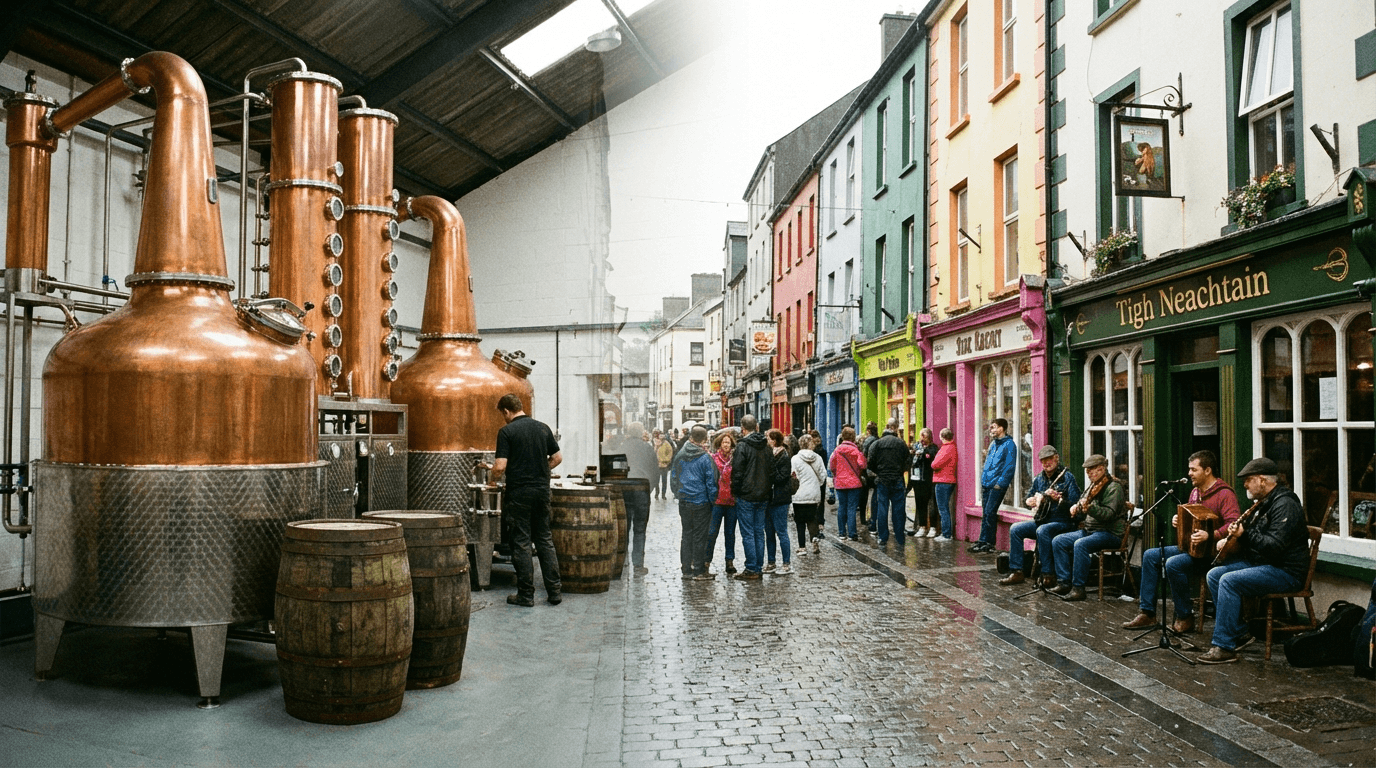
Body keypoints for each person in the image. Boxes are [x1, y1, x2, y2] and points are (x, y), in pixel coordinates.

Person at [1198, 457, 1310, 664]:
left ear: (1262, 480)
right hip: (1264, 564)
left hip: (1285, 571)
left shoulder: (1285, 504)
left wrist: (1244, 534)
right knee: (1214, 575)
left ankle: (1224, 646)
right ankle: (1239, 632)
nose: (1245, 485)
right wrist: (1231, 538)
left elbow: (1274, 546)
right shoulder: (1263, 504)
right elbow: (1255, 539)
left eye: (1249, 480)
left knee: (1229, 581)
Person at [1122, 450, 1240, 632]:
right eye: (1189, 469)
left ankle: (1185, 616)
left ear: (1208, 470)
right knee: (1150, 555)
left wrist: (1212, 534)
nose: (1189, 474)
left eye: (1194, 470)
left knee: (1174, 564)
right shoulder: (1195, 493)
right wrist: (1180, 520)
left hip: (1212, 553)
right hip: (1192, 549)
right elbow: (1193, 516)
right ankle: (1148, 613)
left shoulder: (1225, 494)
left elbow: (1234, 524)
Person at [491, 393, 562, 607]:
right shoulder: (543, 428)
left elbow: (500, 466)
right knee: (544, 539)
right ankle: (555, 592)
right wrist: (540, 471)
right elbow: (557, 458)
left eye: (502, 414)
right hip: (541, 491)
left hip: (520, 492)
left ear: (506, 411)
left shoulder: (507, 432)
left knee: (521, 542)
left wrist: (494, 478)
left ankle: (526, 595)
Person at [1000, 445, 1081, 587]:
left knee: (1043, 531)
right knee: (1015, 529)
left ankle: (1047, 574)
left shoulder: (1067, 477)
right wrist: (1029, 501)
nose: (1046, 464)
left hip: (1062, 522)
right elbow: (1029, 496)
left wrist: (1059, 500)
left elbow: (1076, 505)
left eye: (1049, 459)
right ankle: (1017, 571)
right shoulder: (1039, 479)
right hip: (1043, 520)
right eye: (1043, 461)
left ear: (1056, 458)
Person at [1050, 454, 1126, 601]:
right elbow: (1082, 507)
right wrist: (1076, 508)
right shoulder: (1093, 486)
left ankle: (1078, 588)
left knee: (1081, 544)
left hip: (1109, 533)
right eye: (1088, 471)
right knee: (1058, 541)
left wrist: (1090, 508)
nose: (1089, 474)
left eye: (1092, 471)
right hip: (1091, 531)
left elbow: (1109, 514)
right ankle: (1064, 582)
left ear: (1102, 469)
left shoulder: (1113, 487)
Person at [730, 415, 774, 581]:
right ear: (756, 427)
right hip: (763, 495)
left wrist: (736, 491)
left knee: (748, 533)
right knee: (758, 532)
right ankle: (758, 566)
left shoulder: (742, 446)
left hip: (746, 495)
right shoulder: (766, 446)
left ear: (743, 428)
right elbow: (771, 470)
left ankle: (751, 567)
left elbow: (737, 473)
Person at [671, 426, 718, 580]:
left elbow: (674, 477)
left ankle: (686, 569)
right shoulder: (705, 458)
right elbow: (711, 482)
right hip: (701, 502)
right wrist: (712, 500)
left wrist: (678, 493)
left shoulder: (680, 455)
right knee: (699, 536)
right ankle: (698, 570)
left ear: (691, 438)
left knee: (686, 535)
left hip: (685, 501)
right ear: (704, 440)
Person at [969, 418, 1017, 554]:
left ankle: (989, 542)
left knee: (990, 512)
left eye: (993, 427)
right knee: (986, 513)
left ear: (1002, 428)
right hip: (987, 484)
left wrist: (999, 484)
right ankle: (983, 540)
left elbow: (1009, 467)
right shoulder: (993, 444)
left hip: (996, 486)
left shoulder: (1009, 445)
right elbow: (987, 463)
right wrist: (983, 480)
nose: (991, 430)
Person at [620, 422, 658, 575]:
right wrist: (649, 489)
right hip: (641, 489)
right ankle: (638, 564)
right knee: (640, 528)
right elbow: (655, 472)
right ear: (641, 432)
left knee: (625, 527)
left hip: (625, 490)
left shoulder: (622, 447)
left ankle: (623, 562)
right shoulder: (647, 448)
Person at [868, 418, 911, 546]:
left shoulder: (877, 444)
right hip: (897, 479)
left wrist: (879, 473)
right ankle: (899, 537)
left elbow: (870, 463)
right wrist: (900, 471)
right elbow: (908, 462)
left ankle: (883, 537)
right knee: (898, 509)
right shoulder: (901, 443)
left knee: (882, 508)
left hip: (882, 480)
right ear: (895, 428)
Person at [763, 429, 795, 574]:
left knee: (781, 532)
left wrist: (769, 472)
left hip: (780, 499)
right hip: (769, 499)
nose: (766, 441)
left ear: (774, 440)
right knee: (769, 532)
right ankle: (771, 562)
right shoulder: (768, 455)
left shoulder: (784, 456)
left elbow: (782, 477)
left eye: (768, 438)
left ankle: (786, 563)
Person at [707, 431, 739, 574]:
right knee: (712, 532)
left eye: (728, 442)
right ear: (719, 444)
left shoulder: (735, 459)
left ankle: (729, 561)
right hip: (717, 501)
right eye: (724, 442)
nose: (726, 445)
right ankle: (707, 560)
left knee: (730, 533)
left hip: (732, 501)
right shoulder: (713, 459)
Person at [829, 427, 866, 541]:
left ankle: (841, 533)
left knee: (842, 507)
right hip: (854, 483)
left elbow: (832, 466)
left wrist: (837, 475)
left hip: (840, 483)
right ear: (853, 437)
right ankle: (852, 533)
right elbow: (862, 465)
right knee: (852, 508)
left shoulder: (837, 450)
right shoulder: (856, 451)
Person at [792, 434, 827, 555]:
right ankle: (814, 538)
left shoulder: (795, 459)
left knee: (800, 521)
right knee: (812, 519)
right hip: (813, 493)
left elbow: (793, 476)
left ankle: (802, 547)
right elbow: (823, 475)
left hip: (799, 495)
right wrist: (817, 485)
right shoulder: (817, 458)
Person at [908, 428, 940, 537]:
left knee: (931, 504)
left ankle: (933, 527)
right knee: (920, 504)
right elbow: (911, 461)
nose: (922, 438)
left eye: (924, 436)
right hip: (917, 480)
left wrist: (924, 452)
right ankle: (922, 526)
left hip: (929, 480)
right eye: (921, 436)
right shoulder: (916, 446)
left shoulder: (933, 448)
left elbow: (931, 458)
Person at [931, 428, 958, 542]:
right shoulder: (952, 447)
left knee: (943, 508)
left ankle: (946, 534)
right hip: (948, 480)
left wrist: (933, 463)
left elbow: (935, 464)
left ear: (942, 437)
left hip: (943, 480)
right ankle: (946, 533)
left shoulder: (946, 448)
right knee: (945, 508)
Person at [858, 421, 880, 532]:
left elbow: (864, 455)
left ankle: (863, 518)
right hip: (876, 471)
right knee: (875, 495)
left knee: (864, 495)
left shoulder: (866, 441)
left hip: (866, 470)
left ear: (868, 430)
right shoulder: (878, 440)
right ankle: (873, 517)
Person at [654, 431, 673, 499]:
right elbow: (653, 452)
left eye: (662, 435)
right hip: (657, 465)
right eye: (660, 435)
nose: (661, 436)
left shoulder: (666, 444)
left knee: (664, 481)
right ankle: (657, 493)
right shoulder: (656, 443)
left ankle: (663, 494)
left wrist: (666, 460)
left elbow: (670, 453)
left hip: (664, 465)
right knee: (656, 481)